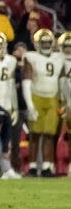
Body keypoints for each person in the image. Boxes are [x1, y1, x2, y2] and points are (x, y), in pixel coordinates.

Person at [22, 29, 64, 177]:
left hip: (53, 98)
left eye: (48, 42)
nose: (46, 44)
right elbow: (26, 81)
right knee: (35, 134)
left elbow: (63, 80)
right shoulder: (30, 57)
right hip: (36, 96)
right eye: (43, 42)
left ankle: (47, 166)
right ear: (36, 43)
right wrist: (30, 105)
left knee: (49, 134)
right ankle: (32, 167)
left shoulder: (60, 57)